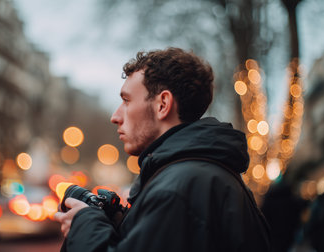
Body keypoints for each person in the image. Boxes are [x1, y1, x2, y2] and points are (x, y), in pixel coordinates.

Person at [54, 47, 271, 251]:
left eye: (127, 101)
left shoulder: (178, 189)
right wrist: (119, 224)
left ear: (162, 104)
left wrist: (85, 226)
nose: (115, 117)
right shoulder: (200, 175)